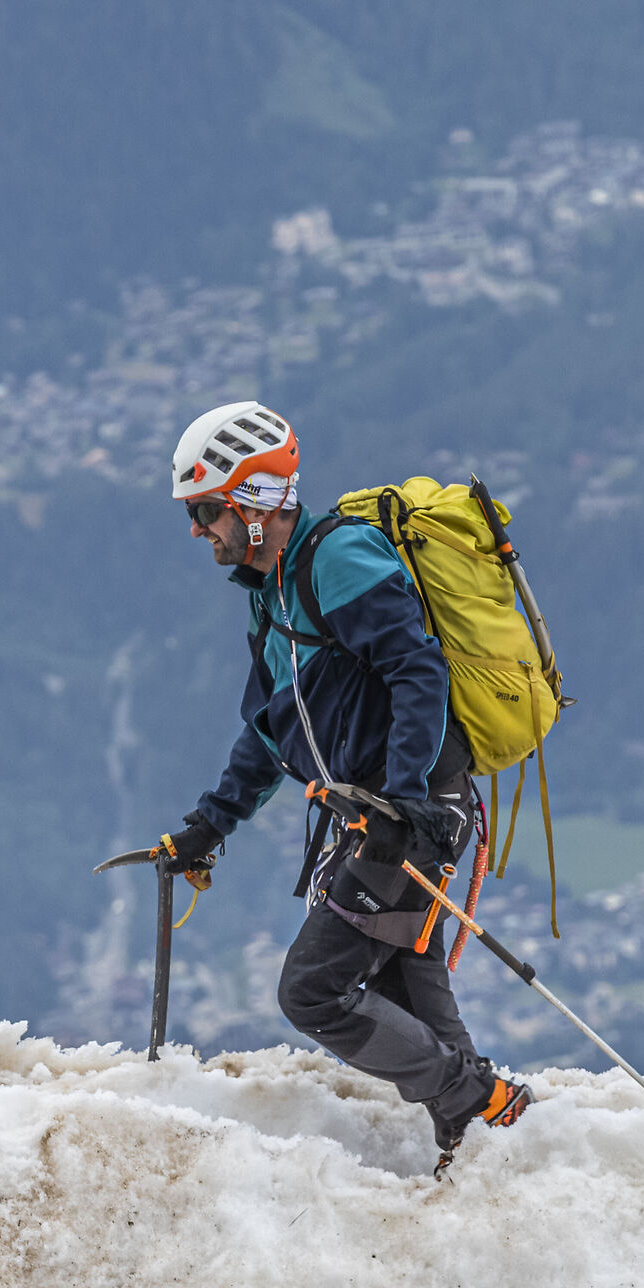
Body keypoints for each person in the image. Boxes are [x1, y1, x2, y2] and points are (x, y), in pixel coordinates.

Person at [153, 402, 530, 1176]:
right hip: (379, 816)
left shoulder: (338, 559)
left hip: (417, 808)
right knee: (402, 979)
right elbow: (267, 727)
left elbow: (415, 669)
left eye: (207, 511)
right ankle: (495, 1141)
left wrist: (405, 802)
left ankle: (471, 1098)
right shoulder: (270, 594)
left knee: (314, 992)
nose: (198, 531)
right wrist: (207, 825)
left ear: (255, 502)